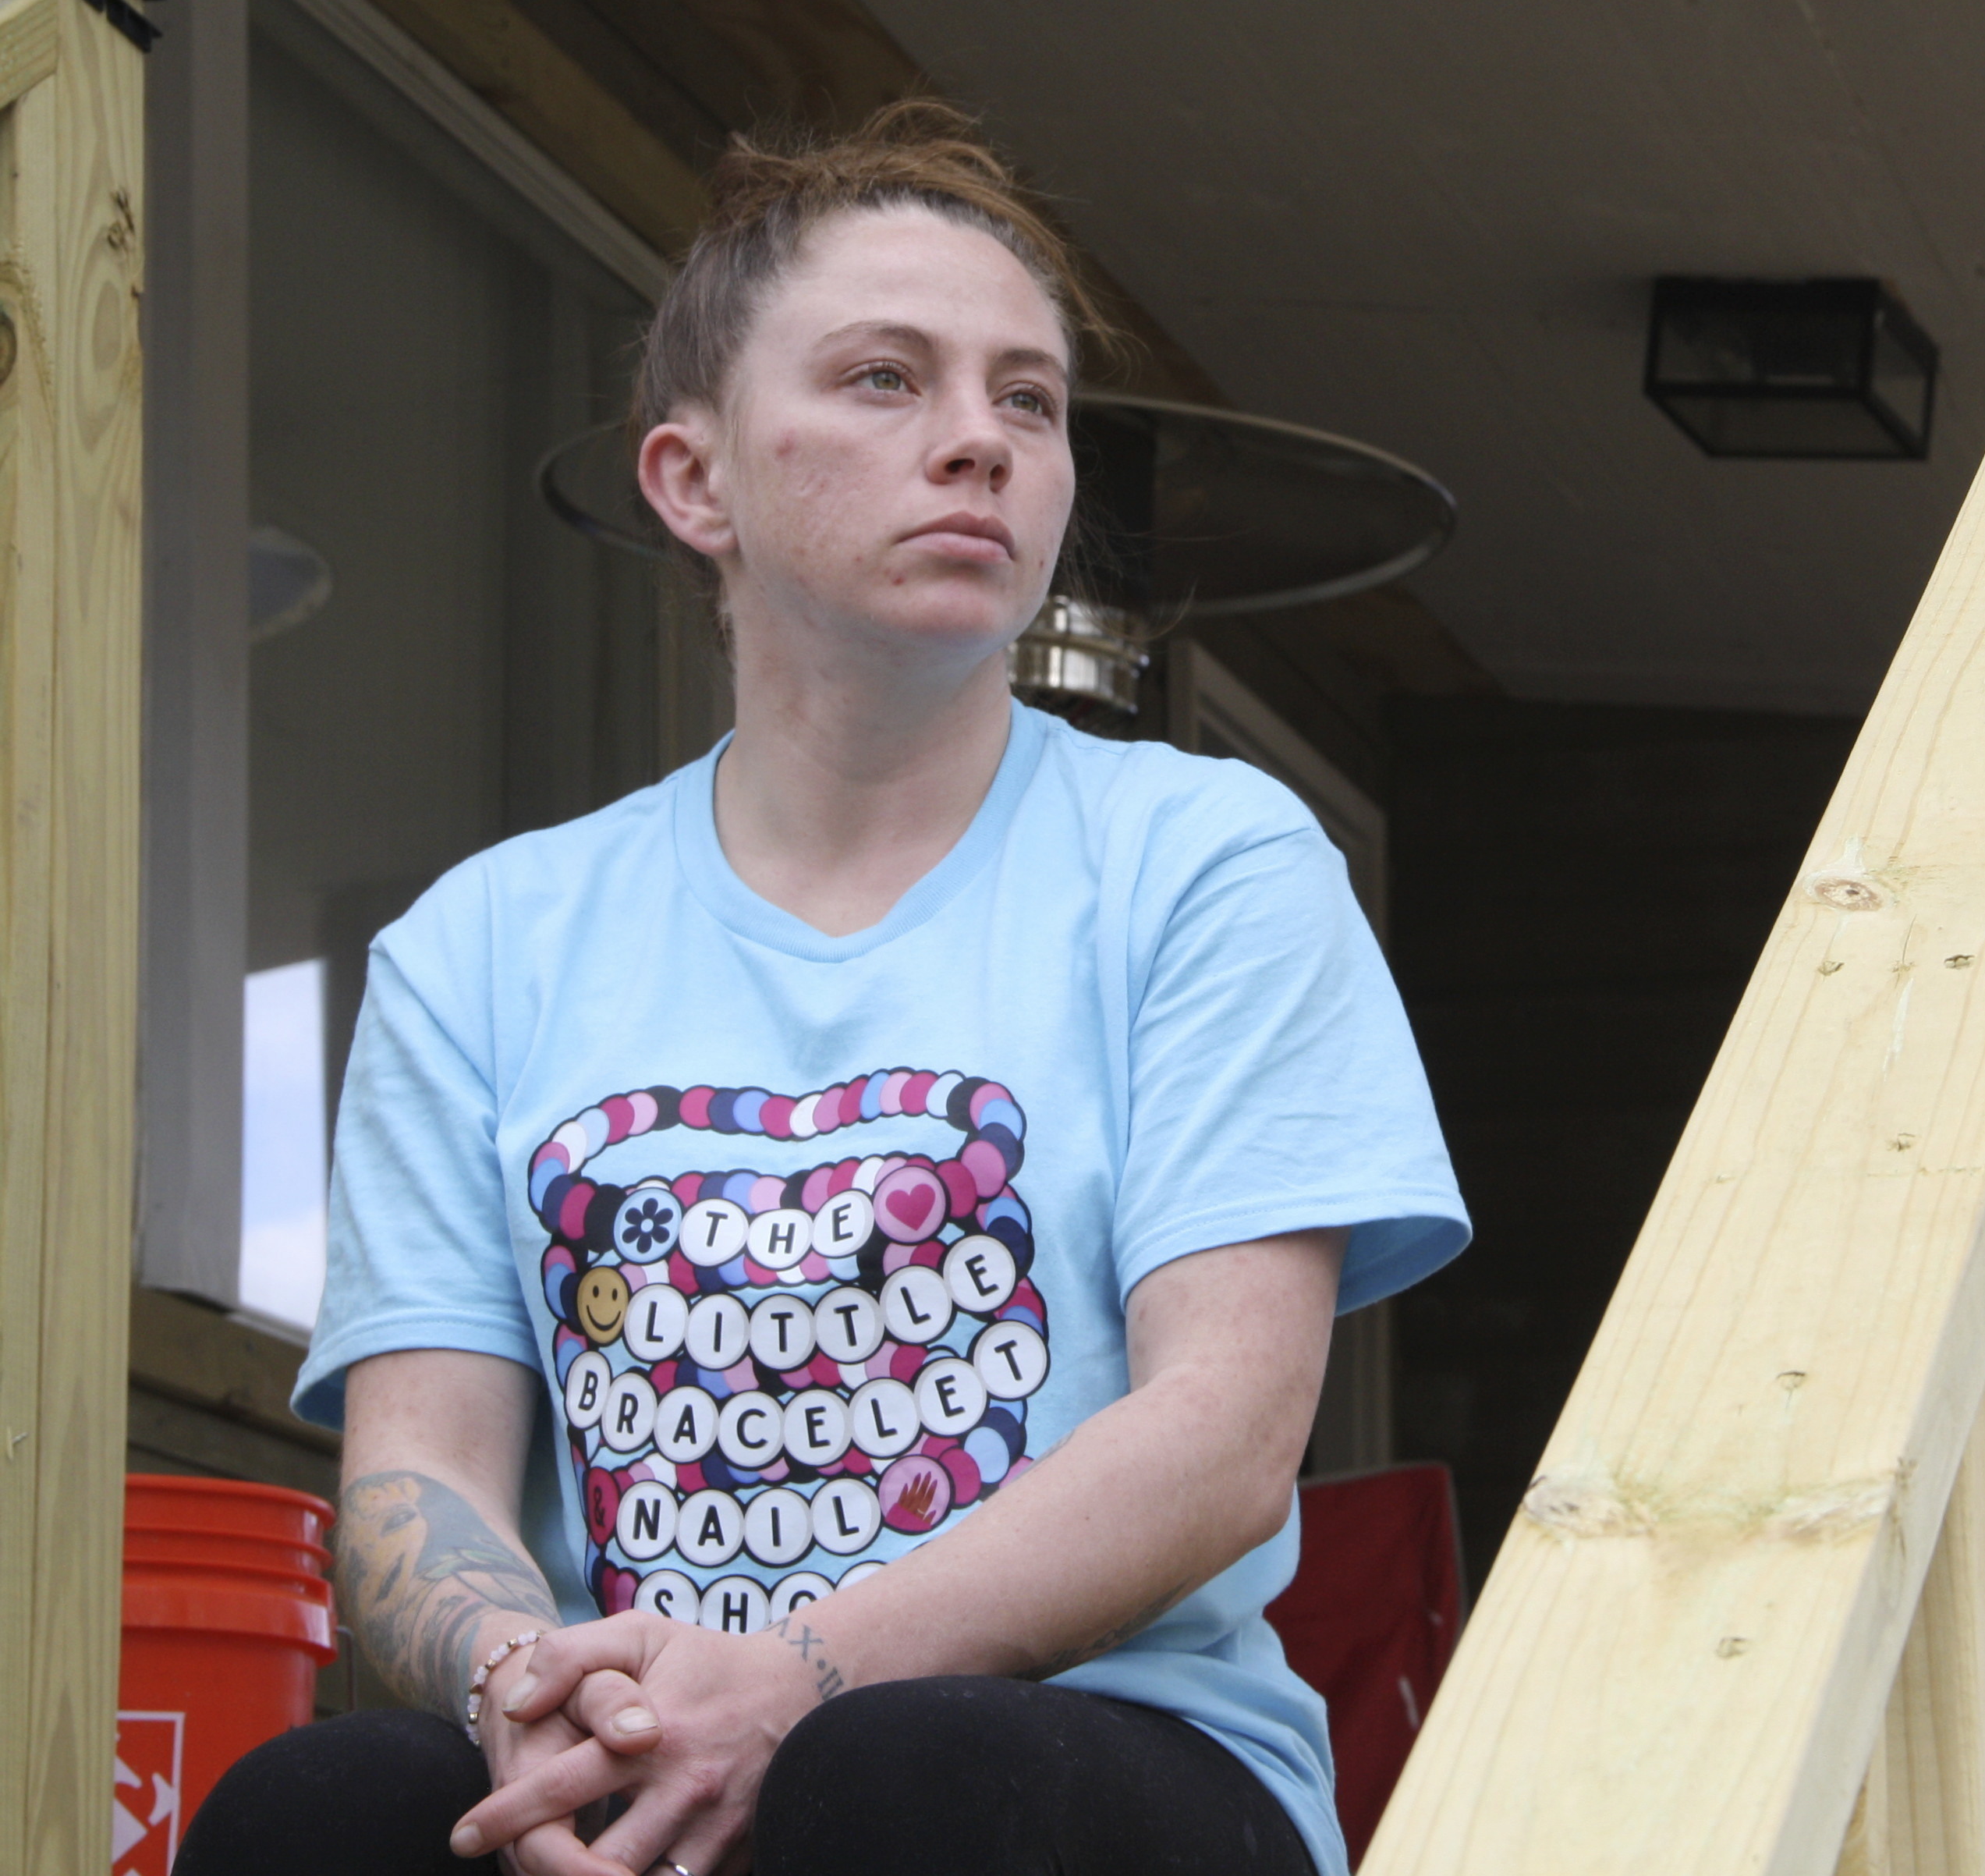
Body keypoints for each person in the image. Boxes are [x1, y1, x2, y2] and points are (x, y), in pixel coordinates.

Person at [179, 101, 1467, 1876]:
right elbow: (418, 1476)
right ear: (693, 479)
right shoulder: (485, 943)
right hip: (653, 1758)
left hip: (1096, 1764)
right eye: (887, 380)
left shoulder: (1206, 862)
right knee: (321, 1811)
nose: (979, 443)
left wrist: (791, 1678)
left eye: (1028, 399)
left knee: (903, 1774)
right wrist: (529, 1692)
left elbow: (1226, 1440)